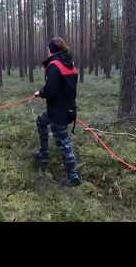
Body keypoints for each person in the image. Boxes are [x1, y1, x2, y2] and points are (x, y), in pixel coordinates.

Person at [34, 37, 81, 187]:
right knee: (41, 121)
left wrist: (40, 93)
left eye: (48, 49)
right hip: (67, 108)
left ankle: (73, 177)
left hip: (58, 112)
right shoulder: (69, 64)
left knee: (64, 142)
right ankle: (44, 153)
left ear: (52, 50)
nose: (47, 52)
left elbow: (51, 90)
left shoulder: (54, 65)